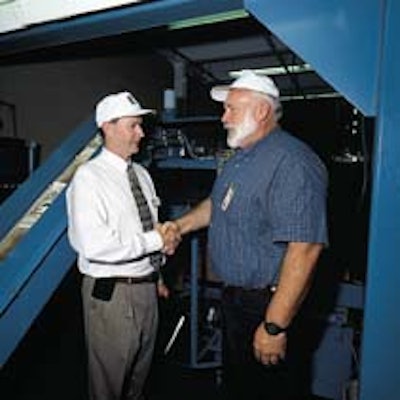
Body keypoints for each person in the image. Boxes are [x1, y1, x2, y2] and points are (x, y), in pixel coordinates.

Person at [171, 70, 328, 399]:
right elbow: (217, 205)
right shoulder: (240, 159)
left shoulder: (292, 162)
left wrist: (275, 326)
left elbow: (306, 248)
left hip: (268, 305)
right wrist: (179, 226)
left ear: (261, 112)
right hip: (237, 302)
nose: (223, 117)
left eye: (232, 109)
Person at [66, 91, 180, 400]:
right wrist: (156, 239)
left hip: (146, 289)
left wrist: (158, 270)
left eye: (141, 125)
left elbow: (145, 227)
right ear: (108, 127)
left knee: (137, 383)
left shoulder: (141, 174)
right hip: (112, 294)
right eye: (133, 126)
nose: (142, 134)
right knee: (108, 388)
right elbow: (94, 245)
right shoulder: (88, 178)